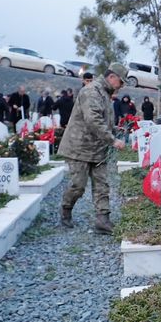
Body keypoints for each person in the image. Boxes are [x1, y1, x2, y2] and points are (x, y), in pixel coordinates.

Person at [57, 63, 126, 234]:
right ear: (111, 77)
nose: (121, 86)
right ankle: (66, 210)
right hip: (79, 147)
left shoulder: (105, 93)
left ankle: (102, 220)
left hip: (98, 148)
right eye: (121, 81)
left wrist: (115, 129)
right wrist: (112, 140)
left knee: (102, 184)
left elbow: (103, 119)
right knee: (78, 186)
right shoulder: (91, 91)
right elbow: (93, 120)